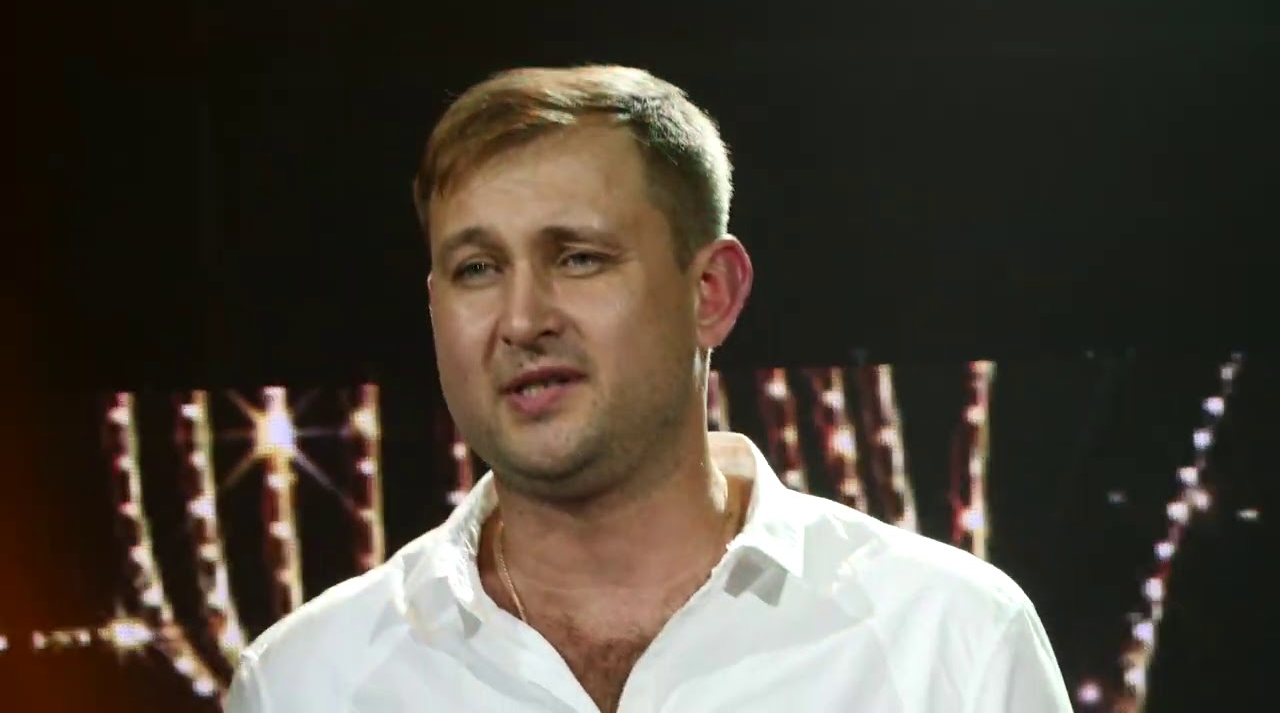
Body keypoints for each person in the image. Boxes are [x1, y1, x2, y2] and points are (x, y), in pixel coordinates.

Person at [225, 64, 1072, 712]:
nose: (522, 320)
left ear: (711, 293)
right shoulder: (307, 681)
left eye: (577, 258)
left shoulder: (950, 642)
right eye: (477, 269)